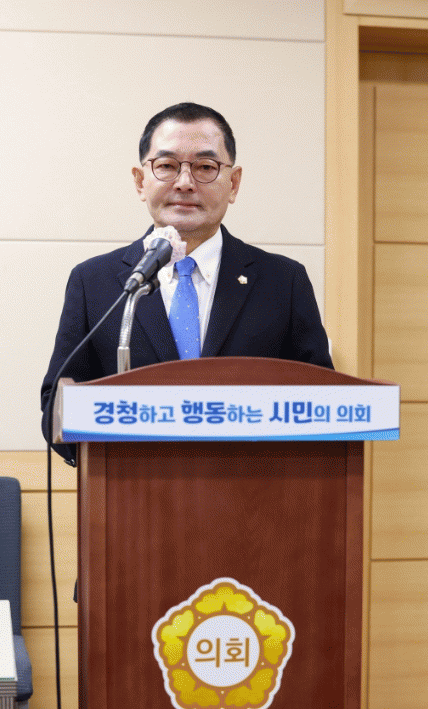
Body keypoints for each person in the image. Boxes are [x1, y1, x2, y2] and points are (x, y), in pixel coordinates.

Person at [41, 102, 333, 465]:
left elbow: (323, 402)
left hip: (253, 492)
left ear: (233, 183)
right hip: (133, 492)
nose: (184, 182)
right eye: (166, 166)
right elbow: (56, 404)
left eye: (205, 167)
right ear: (140, 181)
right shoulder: (95, 282)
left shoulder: (283, 281)